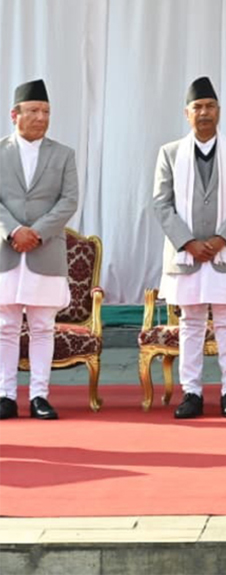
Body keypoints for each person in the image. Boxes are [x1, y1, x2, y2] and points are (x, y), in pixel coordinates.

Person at [152, 77, 226, 419]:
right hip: (186, 255)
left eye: (210, 106)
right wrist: (188, 242)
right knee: (191, 324)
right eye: (197, 107)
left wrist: (221, 239)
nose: (204, 113)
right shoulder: (170, 153)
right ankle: (192, 393)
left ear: (219, 111)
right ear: (187, 113)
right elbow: (161, 204)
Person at [0, 80, 79, 420]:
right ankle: (5, 395)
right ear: (14, 114)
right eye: (33, 111)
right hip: (6, 250)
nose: (41, 118)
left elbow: (69, 201)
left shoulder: (63, 154)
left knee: (43, 326)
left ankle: (39, 396)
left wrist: (37, 233)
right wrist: (14, 231)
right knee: (5, 325)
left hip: (45, 251)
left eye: (46, 112)